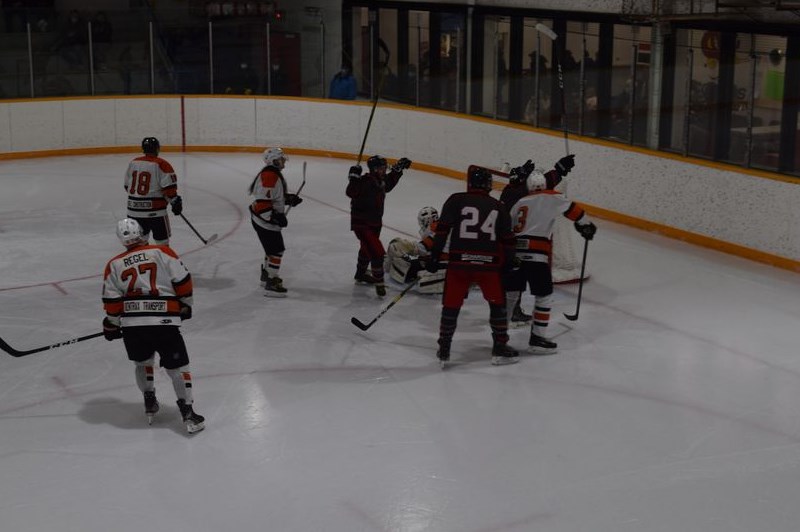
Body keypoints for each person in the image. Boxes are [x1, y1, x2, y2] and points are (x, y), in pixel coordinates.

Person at [101, 218, 205, 434]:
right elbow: (183, 280)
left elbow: (112, 301)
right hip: (164, 323)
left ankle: (149, 400)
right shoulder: (162, 252)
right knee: (177, 368)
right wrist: (185, 305)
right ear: (142, 232)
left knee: (143, 363)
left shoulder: (114, 264)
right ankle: (188, 412)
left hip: (133, 327)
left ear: (121, 240)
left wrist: (111, 324)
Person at [426, 166, 520, 368]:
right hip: (489, 266)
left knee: (451, 305)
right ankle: (500, 347)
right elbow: (508, 240)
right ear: (488, 185)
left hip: (459, 264)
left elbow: (442, 231)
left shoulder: (455, 200)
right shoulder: (498, 206)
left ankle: (444, 349)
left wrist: (434, 256)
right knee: (498, 305)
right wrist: (510, 262)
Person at [506, 170, 597, 354]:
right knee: (544, 296)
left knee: (510, 295)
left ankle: (499, 338)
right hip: (537, 256)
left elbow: (508, 228)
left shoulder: (519, 203)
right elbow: (574, 210)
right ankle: (537, 339)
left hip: (515, 254)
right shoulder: (552, 196)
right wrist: (586, 225)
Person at [499, 154, 576, 326]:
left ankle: (507, 313)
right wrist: (559, 170)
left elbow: (537, 188)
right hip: (513, 244)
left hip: (509, 242)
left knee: (512, 282)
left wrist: (558, 170)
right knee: (514, 282)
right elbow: (541, 190)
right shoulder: (515, 194)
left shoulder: (511, 191)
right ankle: (508, 316)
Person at [347, 155, 412, 297]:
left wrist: (398, 169)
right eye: (382, 168)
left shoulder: (379, 181)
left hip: (375, 223)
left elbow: (388, 183)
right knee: (376, 252)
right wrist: (353, 177)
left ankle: (361, 273)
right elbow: (351, 192)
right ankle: (379, 283)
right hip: (362, 224)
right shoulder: (364, 181)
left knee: (366, 249)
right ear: (375, 169)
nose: (384, 170)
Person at [248, 147, 303, 297]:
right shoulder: (270, 176)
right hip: (264, 221)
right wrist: (274, 218)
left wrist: (288, 199)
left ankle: (266, 276)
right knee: (277, 250)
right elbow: (262, 202)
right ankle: (271, 282)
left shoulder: (272, 174)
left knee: (271, 250)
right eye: (281, 158)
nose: (284, 160)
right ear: (273, 160)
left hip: (262, 220)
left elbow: (273, 196)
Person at [124, 137, 182, 246]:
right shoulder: (162, 164)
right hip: (156, 213)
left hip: (134, 212)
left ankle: (144, 262)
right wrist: (175, 201)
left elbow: (127, 186)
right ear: (157, 149)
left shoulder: (133, 162)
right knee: (162, 244)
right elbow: (169, 189)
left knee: (139, 244)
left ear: (143, 149)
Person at [385, 206, 446, 294]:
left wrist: (409, 246)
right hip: (442, 263)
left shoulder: (436, 227)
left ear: (427, 220)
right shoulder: (441, 226)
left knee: (396, 247)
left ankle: (386, 270)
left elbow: (424, 248)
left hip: (439, 265)